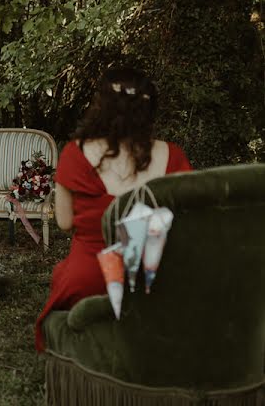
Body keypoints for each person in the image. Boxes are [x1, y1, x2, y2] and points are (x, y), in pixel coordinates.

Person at [34, 67, 193, 352]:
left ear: (100, 107)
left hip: (90, 278)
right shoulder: (173, 156)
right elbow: (188, 222)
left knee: (68, 276)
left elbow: (65, 222)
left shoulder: (75, 153)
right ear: (148, 109)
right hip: (154, 280)